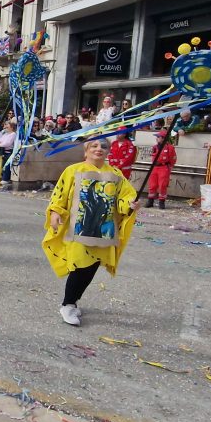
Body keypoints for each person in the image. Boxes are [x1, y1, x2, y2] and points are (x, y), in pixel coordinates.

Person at [43, 138, 140, 326]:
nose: (99, 149)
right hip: (78, 227)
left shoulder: (115, 173)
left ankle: (74, 300)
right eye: (94, 146)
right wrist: (55, 212)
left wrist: (131, 204)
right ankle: (67, 304)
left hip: (104, 229)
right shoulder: (73, 170)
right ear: (85, 151)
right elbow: (60, 194)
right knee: (79, 265)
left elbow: (125, 197)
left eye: (103, 147)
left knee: (91, 268)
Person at [146, 130, 176, 209]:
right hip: (154, 167)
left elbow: (173, 159)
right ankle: (150, 201)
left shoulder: (170, 147)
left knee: (162, 185)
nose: (157, 138)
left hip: (163, 167)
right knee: (152, 184)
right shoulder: (155, 147)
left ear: (163, 138)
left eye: (158, 137)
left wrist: (170, 168)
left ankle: (161, 202)